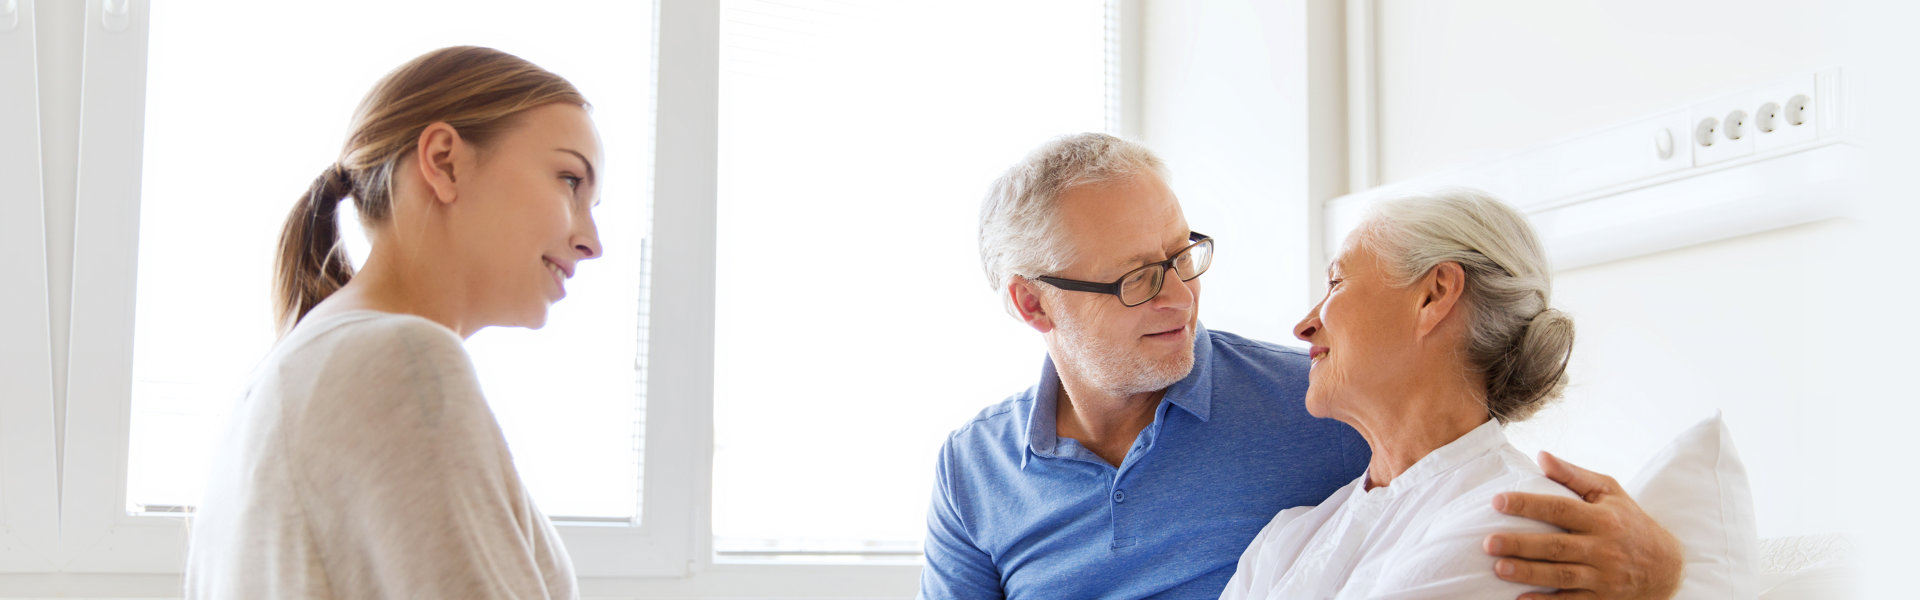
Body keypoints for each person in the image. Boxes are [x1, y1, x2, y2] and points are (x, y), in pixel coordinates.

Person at [919, 133, 1682, 599]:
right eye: (1137, 278)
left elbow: (1469, 458)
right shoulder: (973, 470)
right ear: (1034, 305)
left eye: (1183, 256)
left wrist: (1664, 570)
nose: (1181, 296)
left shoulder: (1321, 402)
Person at [185, 46, 602, 599]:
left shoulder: (298, 366)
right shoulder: (397, 359)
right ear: (445, 161)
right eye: (570, 180)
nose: (590, 242)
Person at [1220, 188, 1592, 598]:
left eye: (1336, 282)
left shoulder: (1517, 518)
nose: (1304, 326)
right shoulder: (1287, 540)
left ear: (1434, 295)